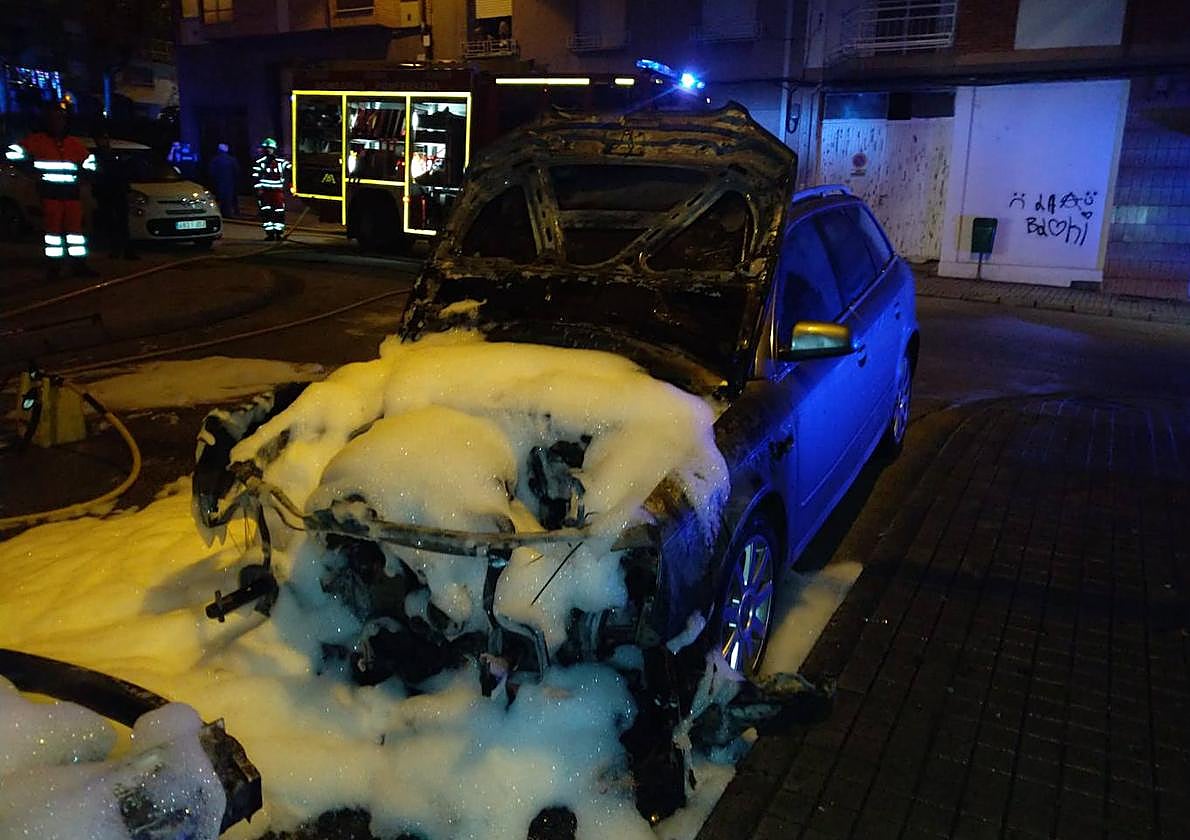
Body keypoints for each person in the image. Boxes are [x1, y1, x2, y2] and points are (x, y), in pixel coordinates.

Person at [11, 103, 98, 278]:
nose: (58, 122)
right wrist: (29, 171)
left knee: (75, 232)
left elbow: (90, 162)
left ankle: (78, 265)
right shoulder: (37, 140)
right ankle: (54, 267)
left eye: (61, 119)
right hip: (50, 193)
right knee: (53, 233)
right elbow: (13, 153)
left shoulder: (73, 143)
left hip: (71, 193)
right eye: (54, 119)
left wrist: (85, 175)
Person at [91, 128, 137, 259]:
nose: (104, 141)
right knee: (111, 222)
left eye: (105, 138)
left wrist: (126, 189)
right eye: (101, 138)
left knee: (122, 222)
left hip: (117, 192)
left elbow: (122, 174)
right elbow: (95, 175)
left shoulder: (114, 155)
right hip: (105, 193)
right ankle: (116, 249)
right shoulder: (96, 156)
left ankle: (126, 250)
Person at [251, 137, 290, 241]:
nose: (269, 150)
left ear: (274, 149)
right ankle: (270, 234)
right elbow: (255, 177)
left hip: (277, 192)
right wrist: (259, 190)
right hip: (265, 192)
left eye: (270, 148)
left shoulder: (281, 162)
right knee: (266, 213)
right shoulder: (260, 162)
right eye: (267, 148)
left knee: (279, 212)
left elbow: (291, 168)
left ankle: (278, 233)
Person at [208, 142, 240, 219]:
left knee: (222, 198)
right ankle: (231, 212)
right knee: (230, 197)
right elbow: (237, 171)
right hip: (230, 181)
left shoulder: (215, 160)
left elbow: (211, 172)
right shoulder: (232, 159)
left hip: (219, 182)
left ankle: (223, 212)